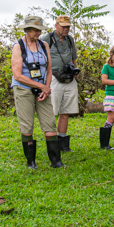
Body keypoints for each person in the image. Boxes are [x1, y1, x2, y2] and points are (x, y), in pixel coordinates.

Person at [10, 15, 63, 169]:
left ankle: (56, 161)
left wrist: (46, 87)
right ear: (27, 30)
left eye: (40, 30)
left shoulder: (44, 45)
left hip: (42, 89)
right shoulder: (18, 46)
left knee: (50, 123)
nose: (38, 33)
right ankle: (31, 162)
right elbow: (17, 75)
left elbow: (49, 69)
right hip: (23, 88)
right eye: (35, 30)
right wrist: (41, 86)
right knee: (27, 125)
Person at [41, 15, 79, 152]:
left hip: (68, 77)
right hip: (53, 77)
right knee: (52, 111)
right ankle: (52, 142)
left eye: (68, 27)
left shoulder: (70, 39)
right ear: (56, 25)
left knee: (66, 111)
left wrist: (75, 75)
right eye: (63, 26)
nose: (66, 29)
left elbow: (74, 58)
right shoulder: (46, 38)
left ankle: (63, 144)